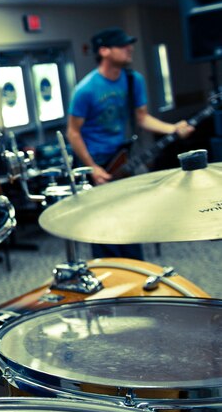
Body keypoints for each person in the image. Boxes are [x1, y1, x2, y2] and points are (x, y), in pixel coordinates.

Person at [66, 26, 194, 260]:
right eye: (122, 45)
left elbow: (142, 118)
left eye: (129, 44)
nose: (129, 48)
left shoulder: (133, 80)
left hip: (121, 157)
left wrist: (173, 129)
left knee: (128, 216)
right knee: (102, 225)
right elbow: (73, 133)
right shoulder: (85, 90)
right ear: (104, 51)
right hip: (95, 162)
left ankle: (135, 268)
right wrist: (92, 167)